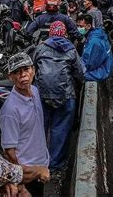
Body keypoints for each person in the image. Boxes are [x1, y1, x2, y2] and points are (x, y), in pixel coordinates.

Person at [33, 22, 85, 173]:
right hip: (65, 96)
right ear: (65, 34)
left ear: (50, 33)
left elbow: (33, 66)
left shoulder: (41, 47)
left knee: (40, 128)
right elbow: (80, 74)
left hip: (42, 95)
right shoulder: (70, 49)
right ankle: (55, 165)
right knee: (60, 130)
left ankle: (38, 159)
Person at [0, 53, 51, 196]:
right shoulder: (10, 110)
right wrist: (20, 185)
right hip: (27, 173)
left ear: (33, 70)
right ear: (10, 77)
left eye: (26, 69)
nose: (22, 75)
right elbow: (9, 152)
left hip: (41, 164)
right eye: (16, 72)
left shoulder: (34, 91)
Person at [76, 14, 113, 82]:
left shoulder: (94, 41)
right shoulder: (95, 33)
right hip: (102, 67)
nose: (78, 28)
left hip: (101, 71)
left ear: (89, 26)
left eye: (81, 26)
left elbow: (88, 64)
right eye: (77, 26)